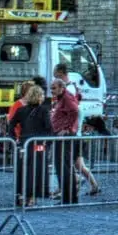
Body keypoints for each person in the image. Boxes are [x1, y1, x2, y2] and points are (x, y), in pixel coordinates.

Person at [10, 83, 52, 208]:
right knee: (37, 171)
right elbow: (49, 128)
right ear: (39, 96)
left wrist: (14, 139)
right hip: (38, 144)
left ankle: (21, 195)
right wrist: (48, 142)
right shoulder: (44, 110)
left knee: (22, 170)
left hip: (23, 143)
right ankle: (32, 197)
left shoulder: (21, 110)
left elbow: (11, 124)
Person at [49, 67, 81, 204]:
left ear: (61, 88)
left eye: (54, 88)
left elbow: (75, 111)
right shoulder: (62, 98)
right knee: (61, 166)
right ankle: (67, 196)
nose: (52, 91)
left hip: (65, 136)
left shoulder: (67, 97)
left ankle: (69, 197)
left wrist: (67, 129)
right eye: (51, 88)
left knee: (64, 166)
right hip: (61, 135)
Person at [75, 113, 106, 196]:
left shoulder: (86, 120)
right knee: (80, 166)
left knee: (73, 164)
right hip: (82, 141)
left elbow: (82, 130)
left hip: (78, 141)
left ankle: (78, 180)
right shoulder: (87, 119)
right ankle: (94, 186)